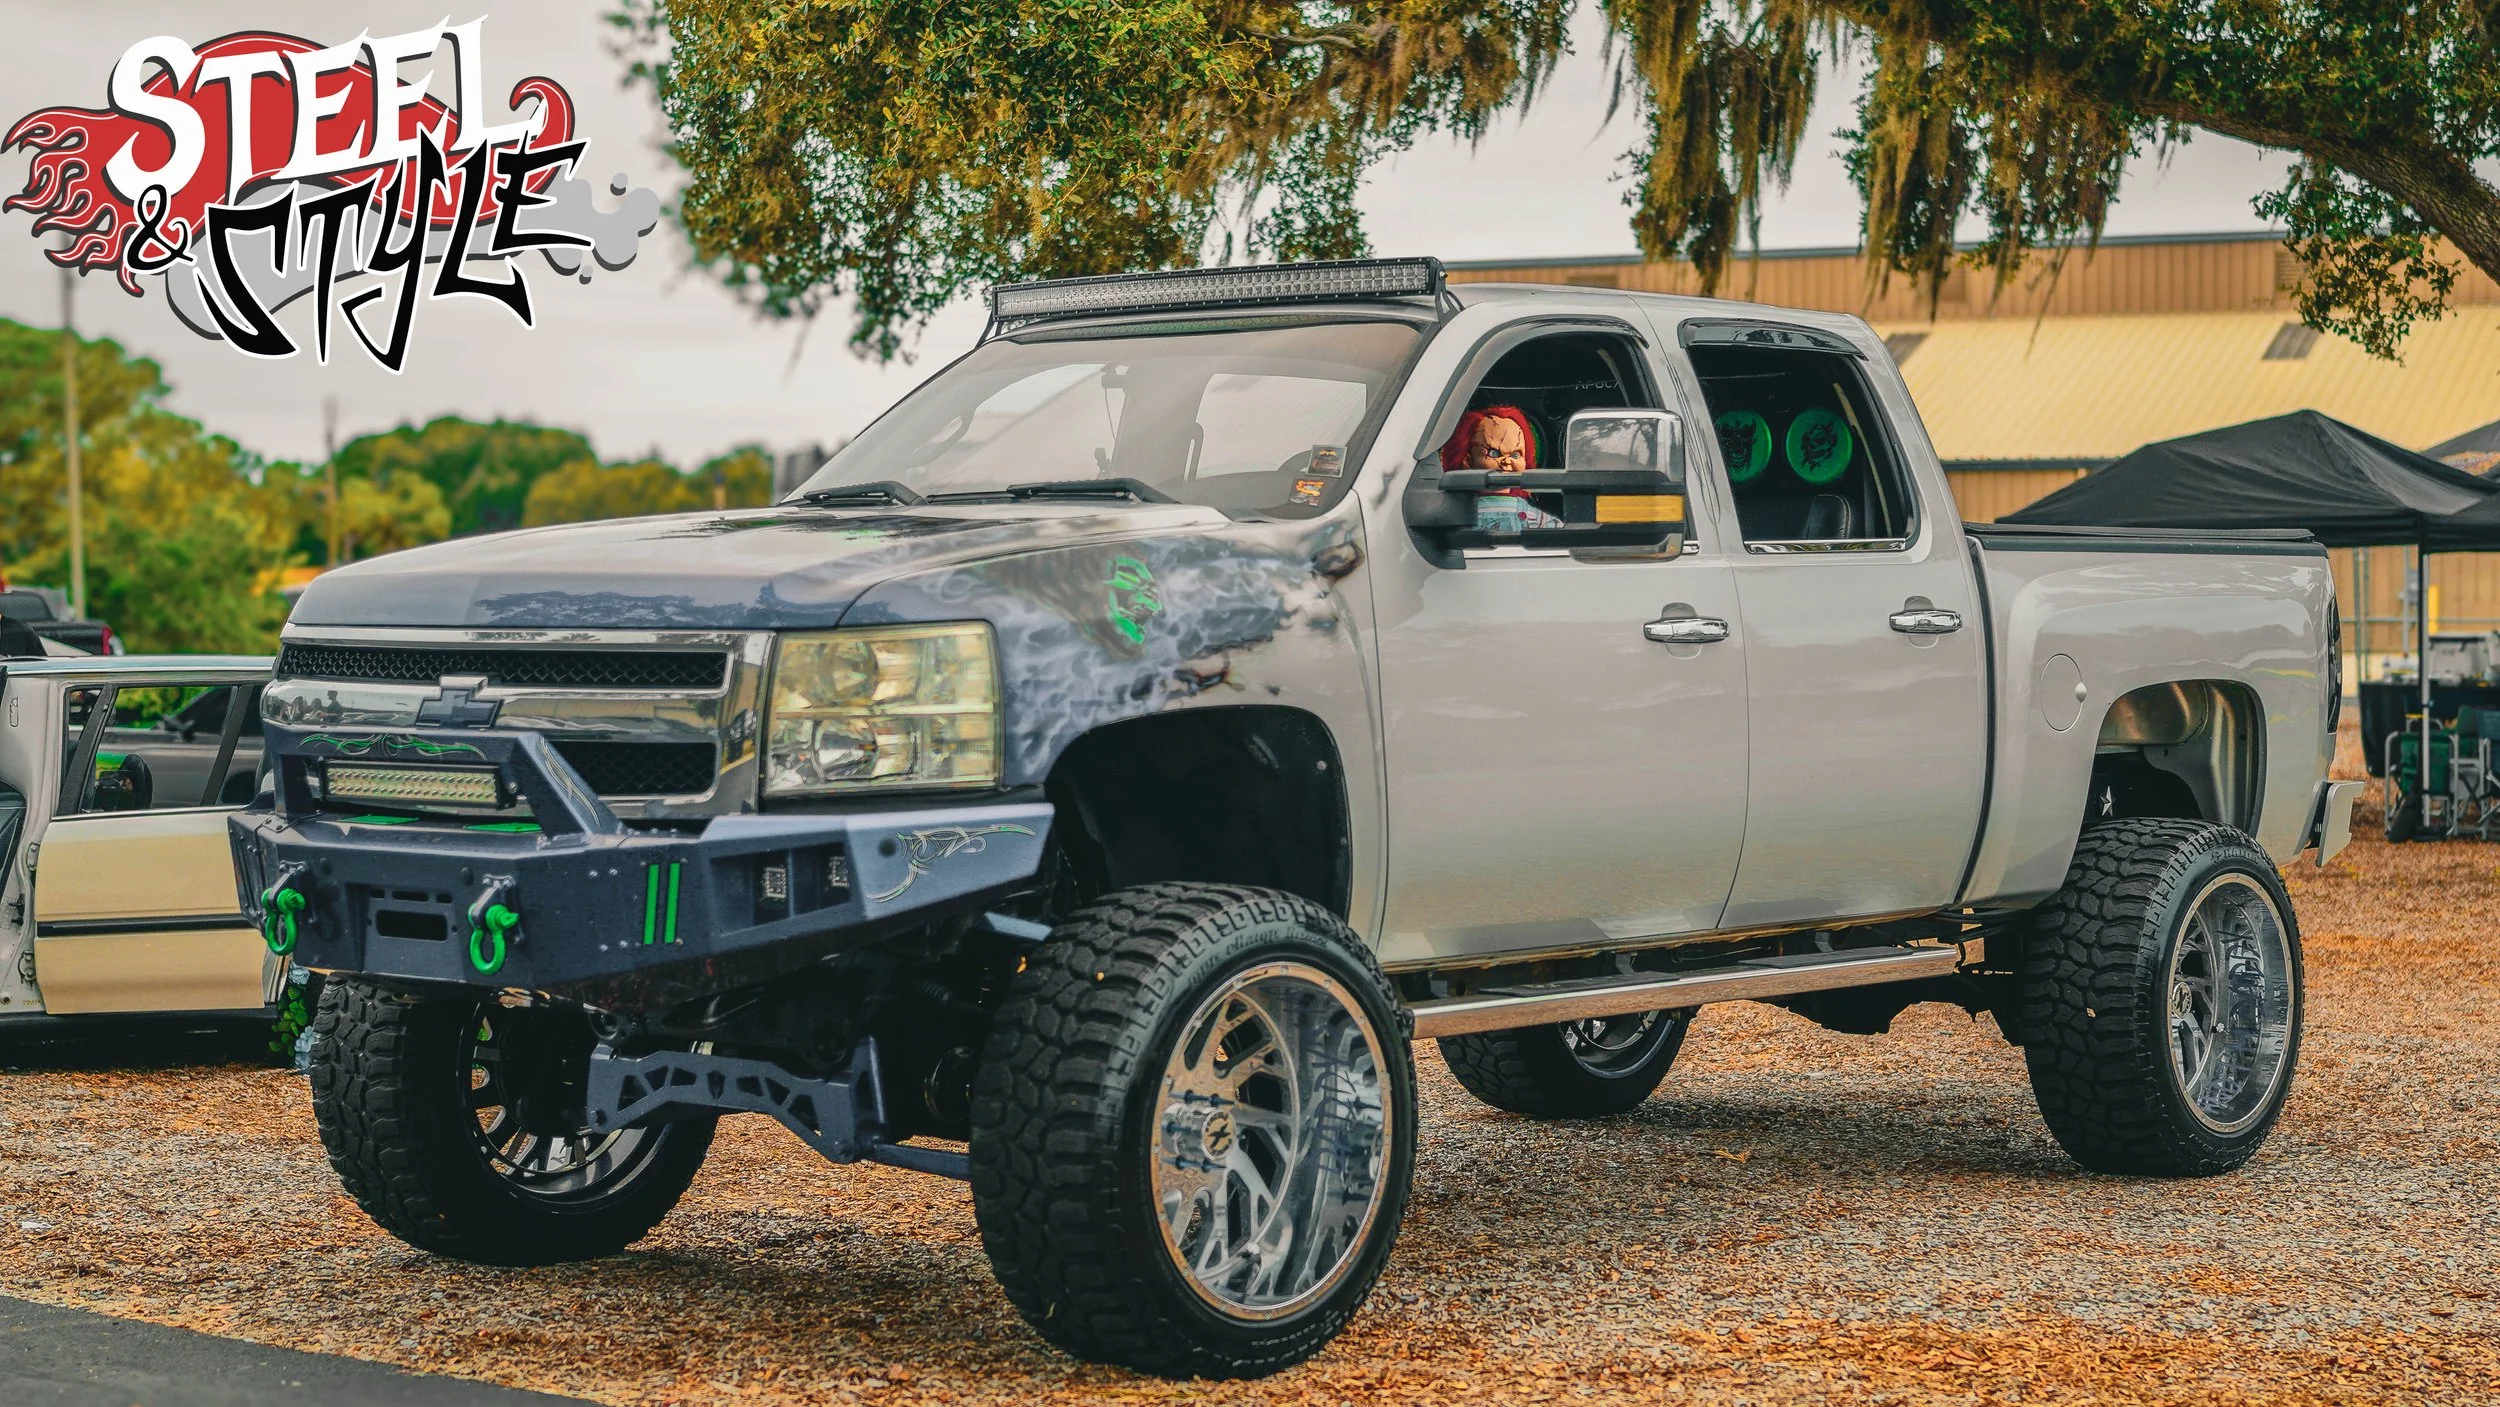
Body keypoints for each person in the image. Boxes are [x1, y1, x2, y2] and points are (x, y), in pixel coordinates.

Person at [1440, 405, 1560, 532]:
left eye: (1515, 455)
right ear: (1467, 461)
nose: (1507, 462)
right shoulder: (1456, 516)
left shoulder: (1535, 518)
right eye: (1494, 454)